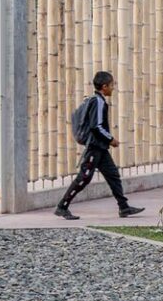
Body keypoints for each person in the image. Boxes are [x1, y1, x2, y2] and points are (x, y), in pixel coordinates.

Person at [55, 71, 145, 220]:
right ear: (104, 87)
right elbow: (96, 126)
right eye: (112, 85)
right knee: (84, 178)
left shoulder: (98, 100)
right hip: (95, 148)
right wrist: (111, 139)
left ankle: (124, 207)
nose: (113, 88)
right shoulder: (98, 101)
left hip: (100, 148)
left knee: (113, 175)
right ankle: (62, 206)